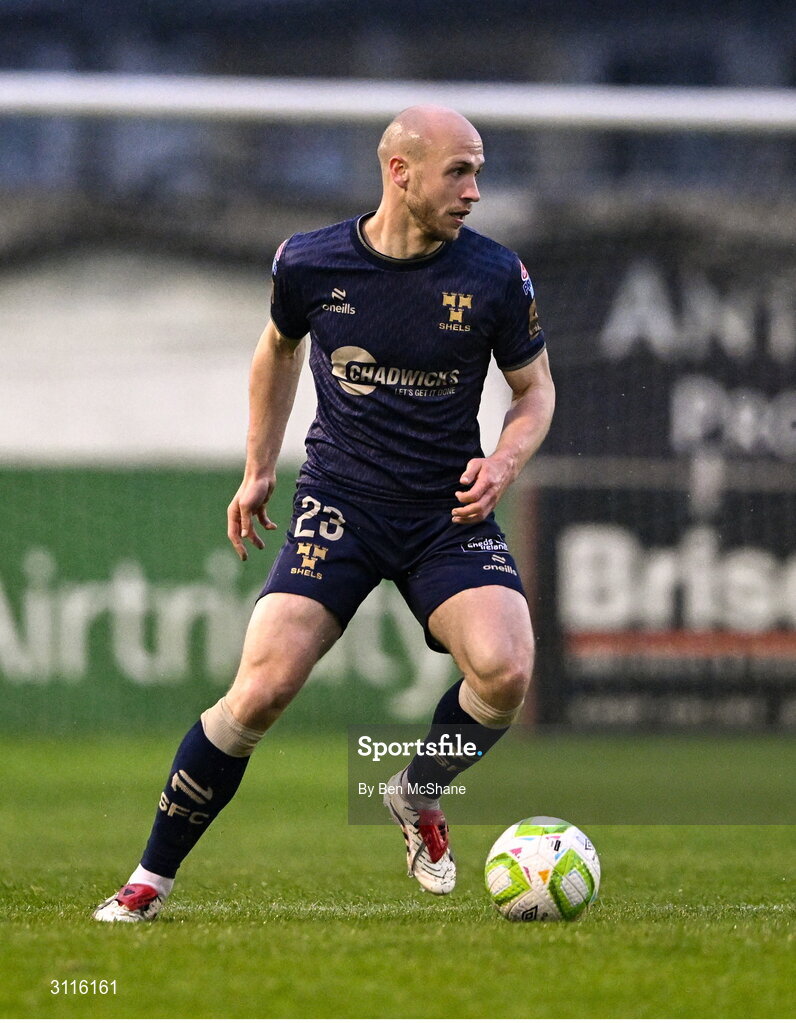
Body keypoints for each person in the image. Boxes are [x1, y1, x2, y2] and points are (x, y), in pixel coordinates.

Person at [93, 105, 555, 922]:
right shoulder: (308, 262)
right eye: (459, 171)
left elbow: (534, 390)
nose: (476, 190)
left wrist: (506, 461)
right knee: (262, 688)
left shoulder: (495, 276)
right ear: (400, 172)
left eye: (479, 171)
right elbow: (277, 349)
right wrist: (258, 467)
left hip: (445, 512)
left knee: (507, 671)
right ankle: (148, 879)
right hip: (339, 502)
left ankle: (416, 793)